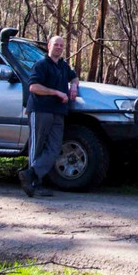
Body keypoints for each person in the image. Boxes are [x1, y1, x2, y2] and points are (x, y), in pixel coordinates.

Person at [19, 35, 79, 197]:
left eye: (61, 45)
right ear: (49, 46)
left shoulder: (62, 66)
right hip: (41, 110)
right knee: (37, 147)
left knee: (53, 148)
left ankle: (30, 175)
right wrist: (56, 92)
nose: (59, 47)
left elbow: (74, 76)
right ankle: (34, 184)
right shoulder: (41, 65)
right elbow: (33, 87)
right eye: (56, 45)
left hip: (58, 112)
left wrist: (73, 86)